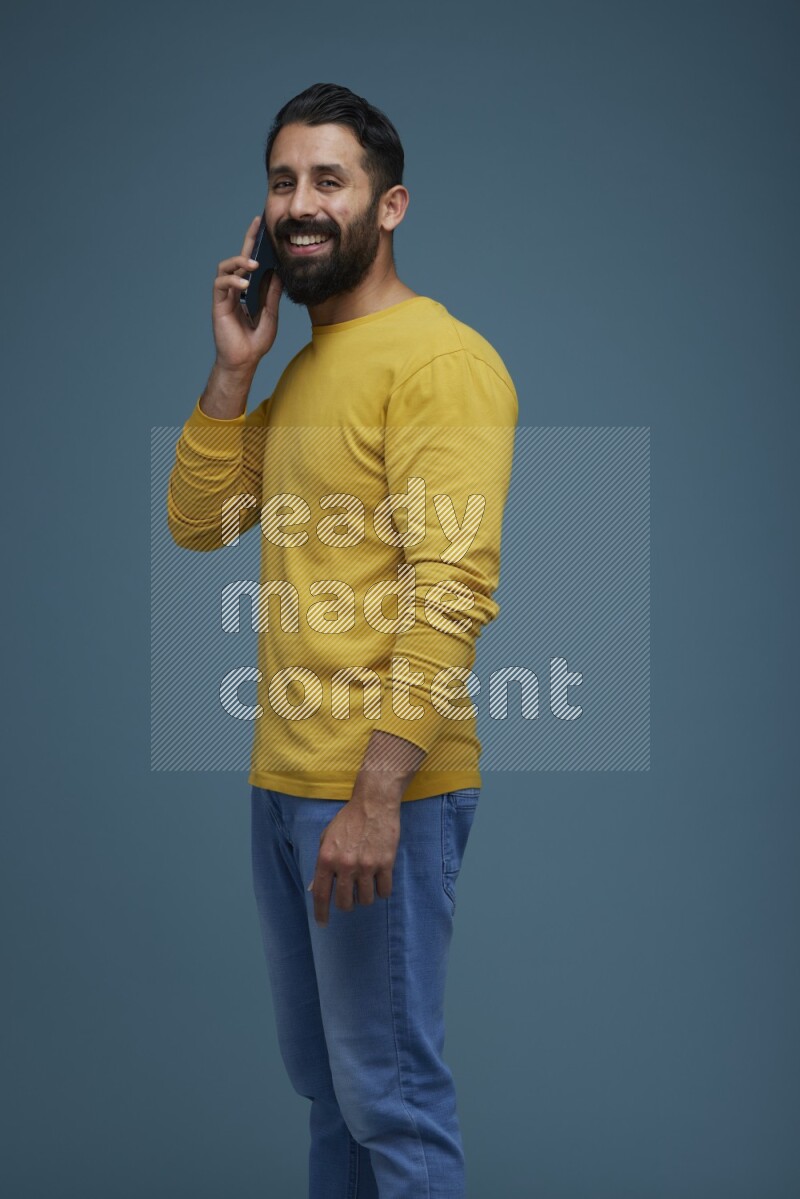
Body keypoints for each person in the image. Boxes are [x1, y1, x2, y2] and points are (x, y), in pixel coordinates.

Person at [167, 82, 517, 1199]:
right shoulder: (307, 367)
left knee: (390, 1100)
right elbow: (199, 521)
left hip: (380, 793)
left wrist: (373, 796)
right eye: (282, 182)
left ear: (390, 204)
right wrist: (234, 371)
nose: (299, 204)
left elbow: (450, 586)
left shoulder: (437, 361)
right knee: (331, 1094)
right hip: (286, 783)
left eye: (329, 180)